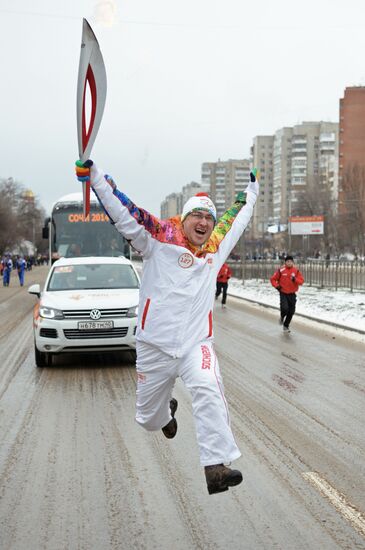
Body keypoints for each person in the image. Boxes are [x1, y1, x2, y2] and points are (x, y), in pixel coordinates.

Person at [76, 159, 259, 495]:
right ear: (184, 218)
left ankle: (216, 467)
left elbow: (237, 218)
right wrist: (97, 179)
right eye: (197, 216)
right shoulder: (157, 238)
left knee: (208, 383)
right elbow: (123, 210)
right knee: (147, 420)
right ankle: (165, 413)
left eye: (208, 217)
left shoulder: (214, 248)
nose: (204, 223)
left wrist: (251, 190)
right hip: (154, 347)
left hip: (194, 345)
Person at [270, 255, 304, 333]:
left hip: (292, 294)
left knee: (291, 311)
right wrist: (277, 286)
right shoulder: (281, 270)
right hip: (283, 293)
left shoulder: (296, 271)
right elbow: (272, 279)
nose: (289, 263)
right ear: (285, 262)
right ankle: (282, 317)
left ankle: (286, 325)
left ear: (293, 262)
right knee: (285, 308)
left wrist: (295, 279)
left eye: (290, 261)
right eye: (287, 261)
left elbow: (301, 281)